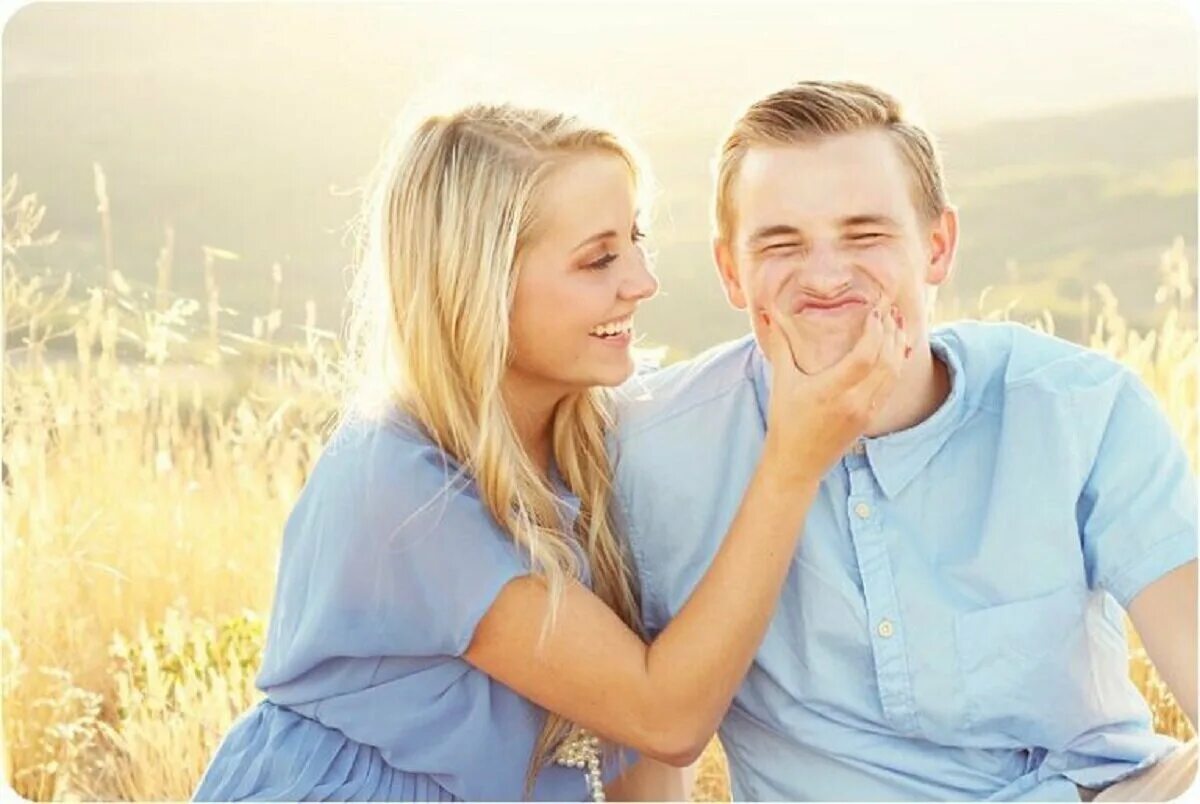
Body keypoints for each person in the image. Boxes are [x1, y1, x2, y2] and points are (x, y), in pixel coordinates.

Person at [192, 101, 909, 801]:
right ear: (480, 283)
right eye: (599, 259)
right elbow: (663, 717)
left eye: (637, 240)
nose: (643, 282)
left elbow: (636, 761)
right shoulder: (402, 489)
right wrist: (791, 463)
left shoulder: (604, 437)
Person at [612, 80, 1198, 801]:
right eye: (781, 244)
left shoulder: (1079, 410)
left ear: (938, 246)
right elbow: (647, 744)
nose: (825, 276)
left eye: (865, 235)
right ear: (731, 271)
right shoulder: (650, 449)